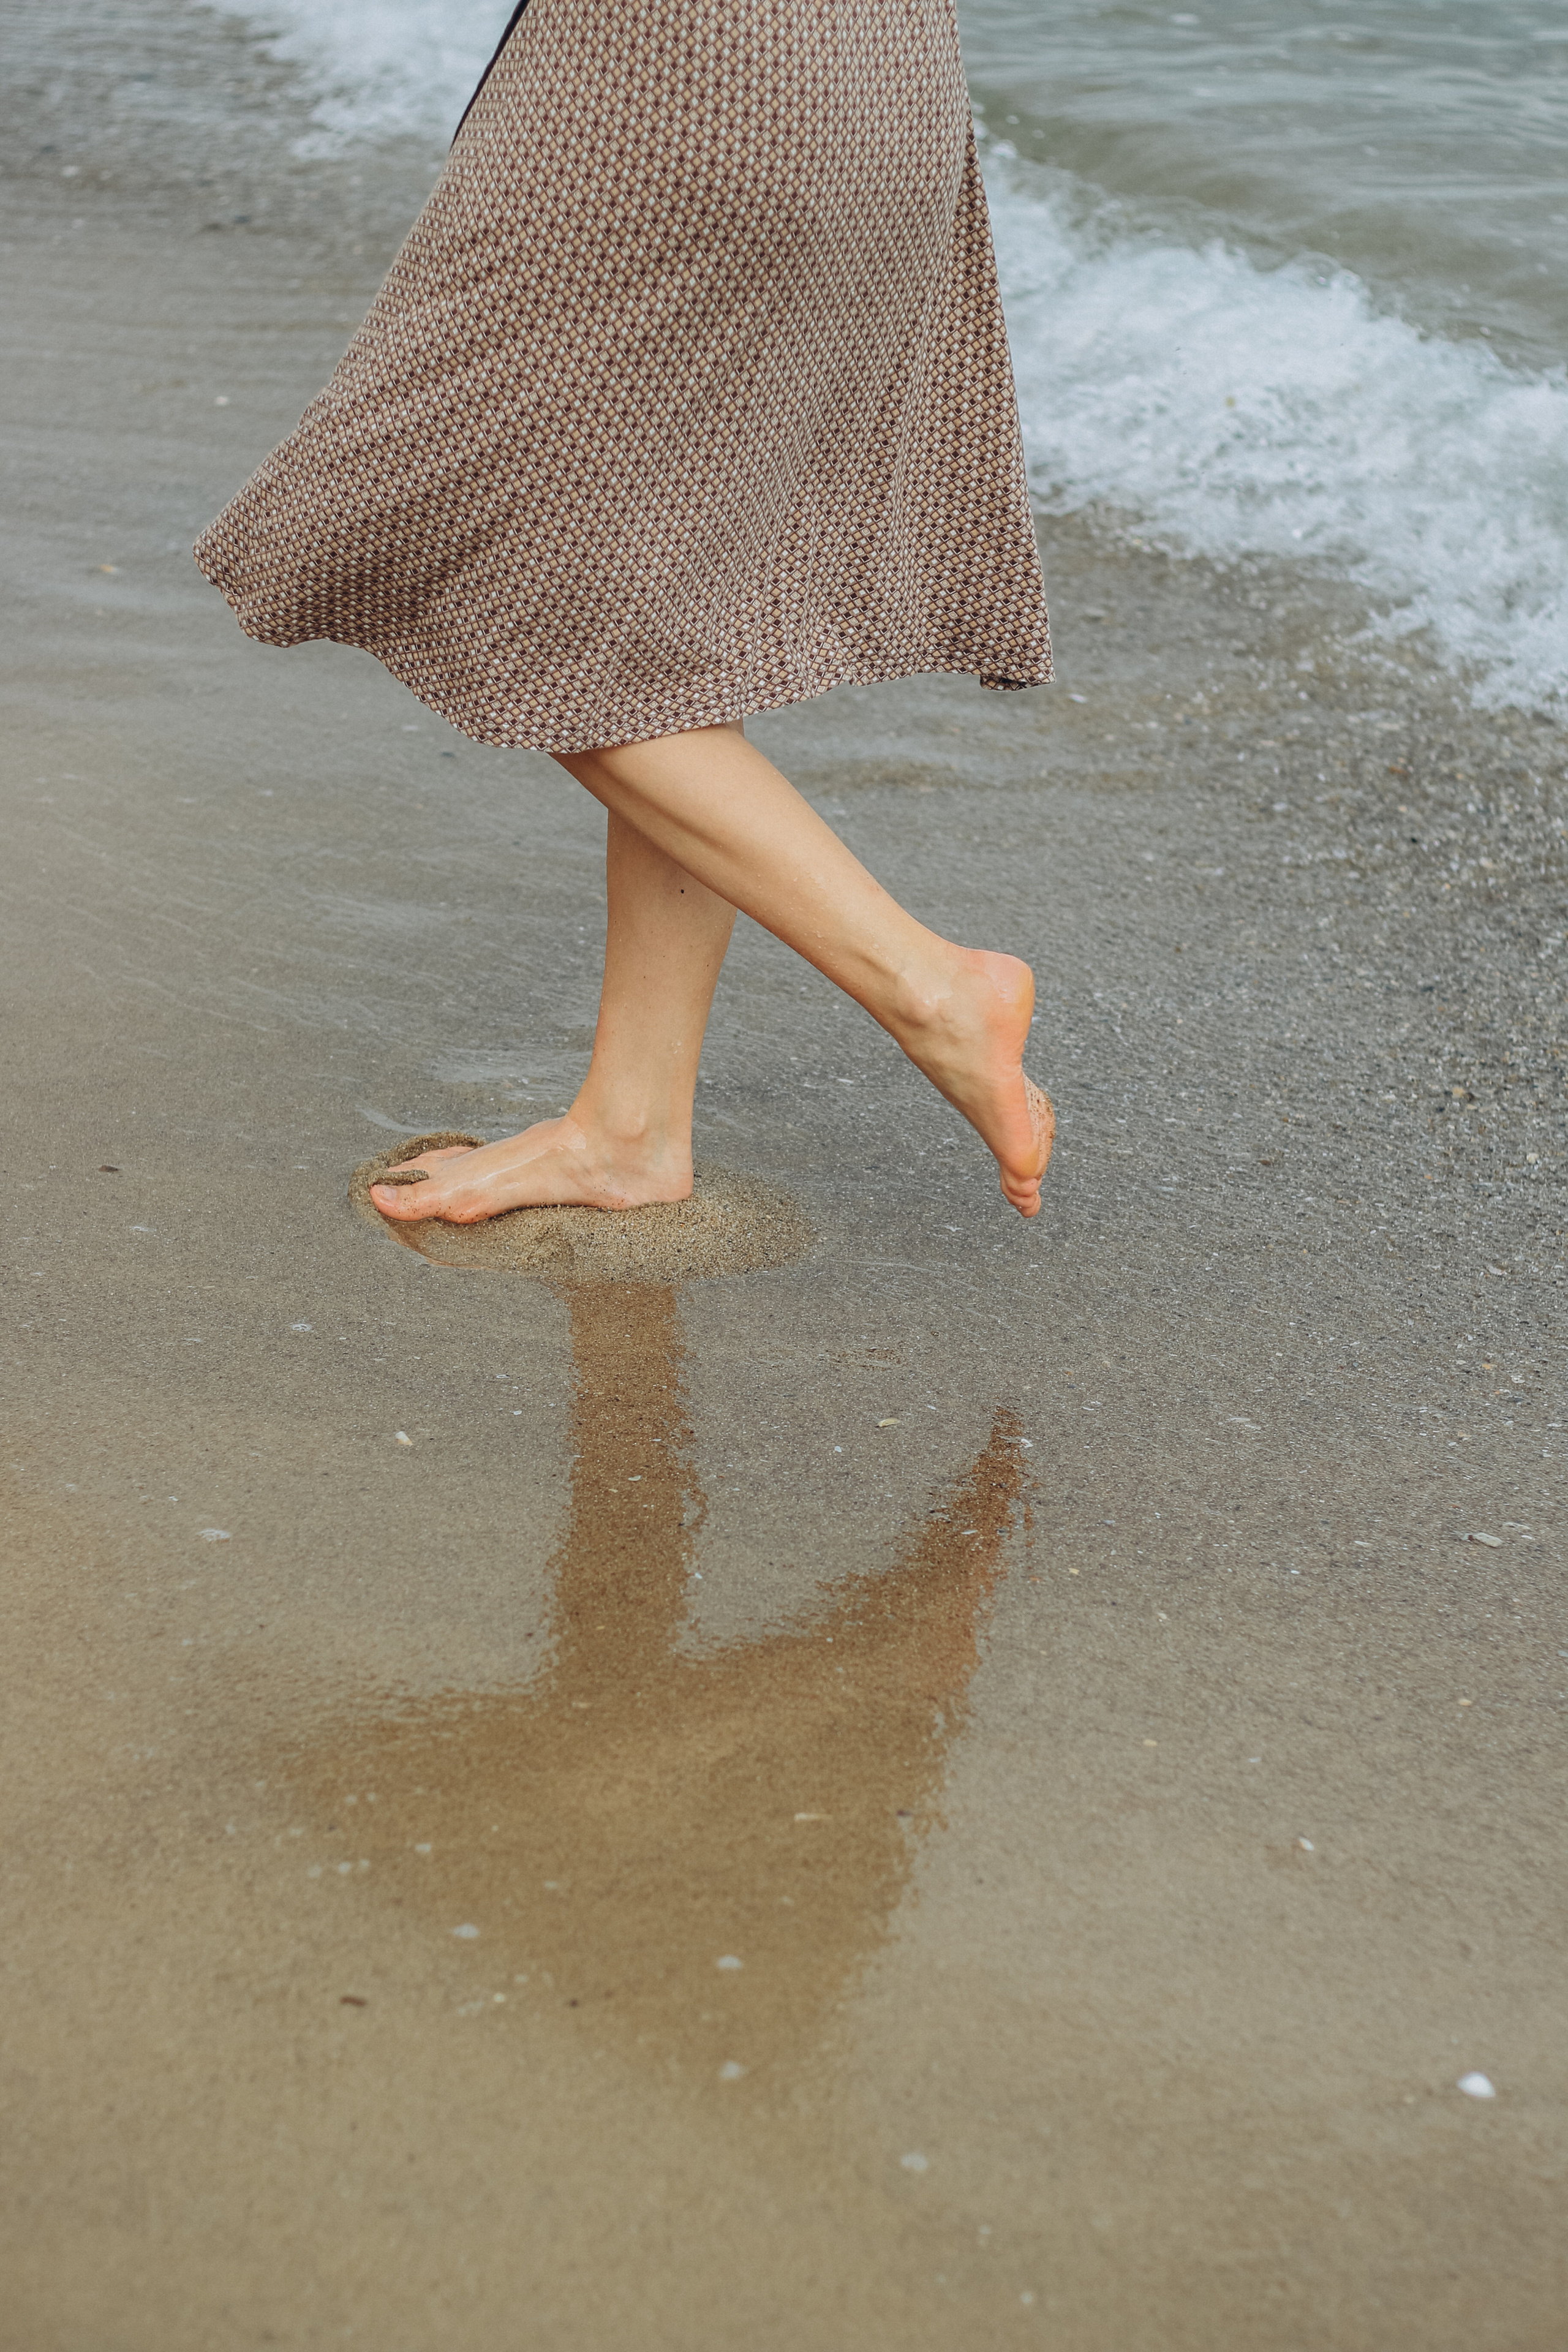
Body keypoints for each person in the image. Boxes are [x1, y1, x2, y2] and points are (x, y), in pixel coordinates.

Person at [194, 0, 1056, 1224]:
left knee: (510, 580)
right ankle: (629, 1128)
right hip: (881, 77)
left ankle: (926, 985)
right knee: (661, 626)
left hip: (683, 91)